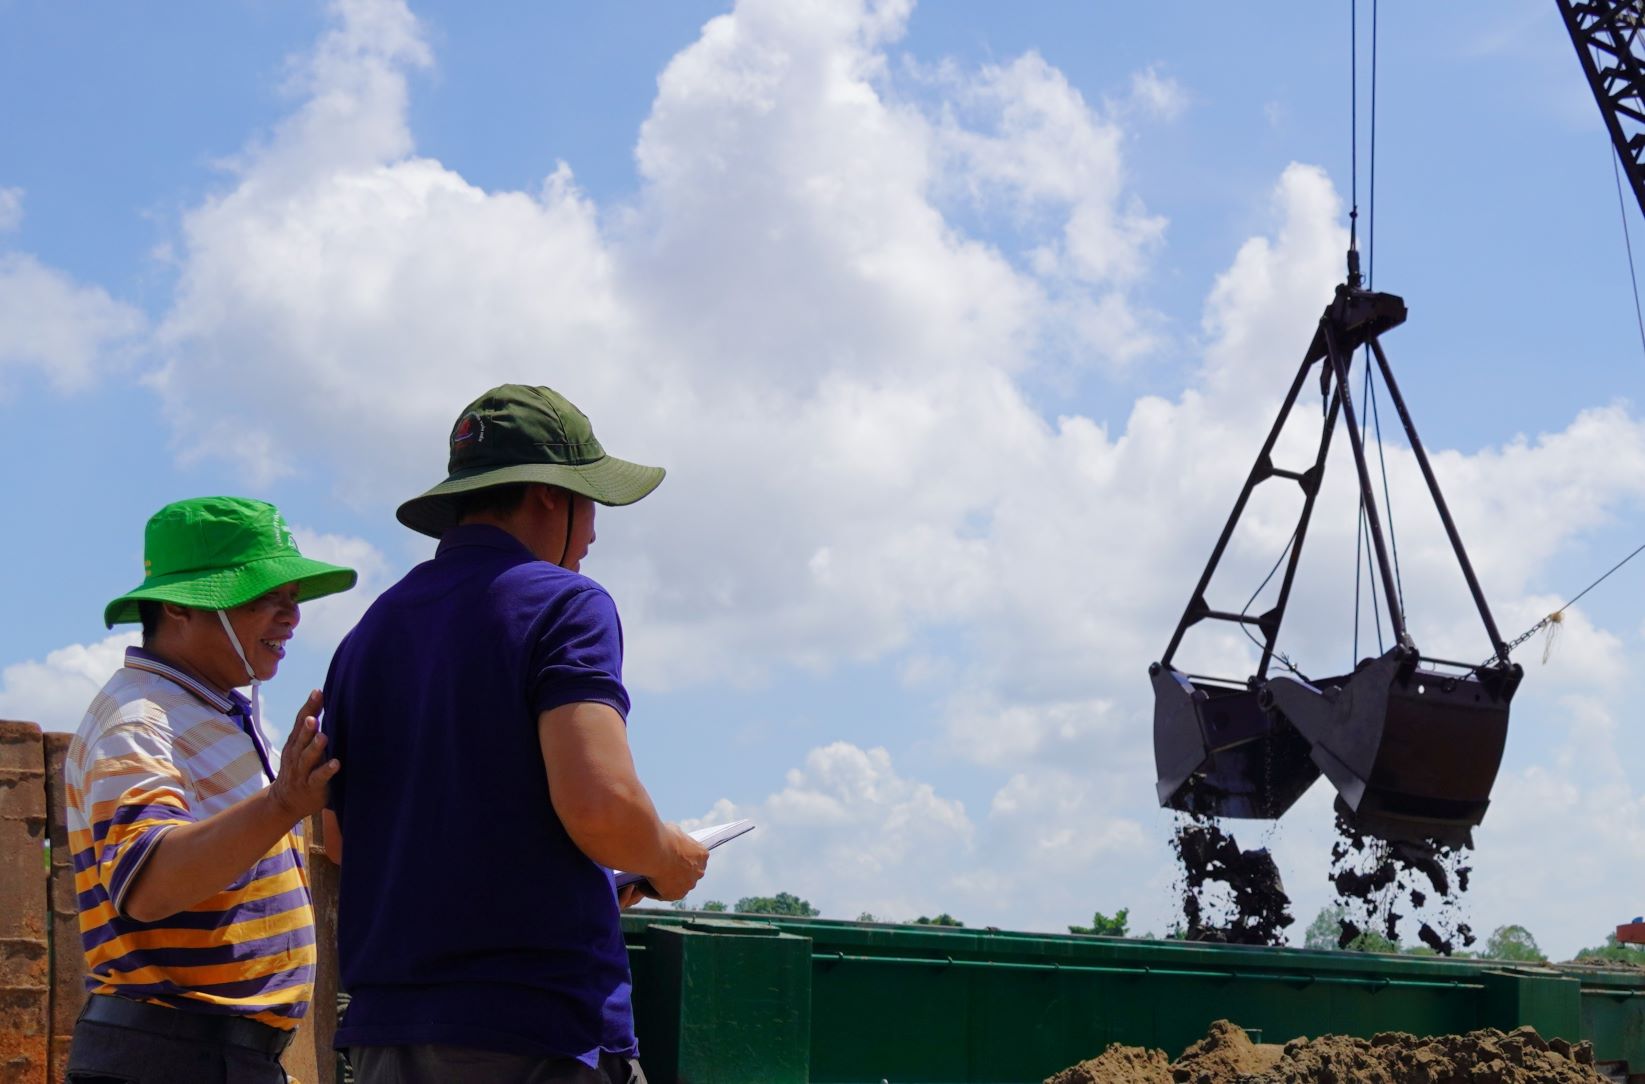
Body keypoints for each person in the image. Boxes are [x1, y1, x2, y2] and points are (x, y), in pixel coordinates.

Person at [321, 384, 708, 1084]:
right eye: (590, 502)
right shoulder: (568, 604)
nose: (593, 536)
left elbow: (345, 840)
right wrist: (666, 855)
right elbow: (601, 807)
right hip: (536, 1030)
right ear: (549, 497)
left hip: (387, 1033)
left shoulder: (366, 633)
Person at [64, 495, 358, 1084]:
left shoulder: (204, 711)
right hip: (170, 1056)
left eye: (293, 598)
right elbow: (148, 885)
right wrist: (282, 804)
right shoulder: (140, 719)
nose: (292, 617)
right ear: (179, 605)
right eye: (264, 595)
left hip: (205, 1056)